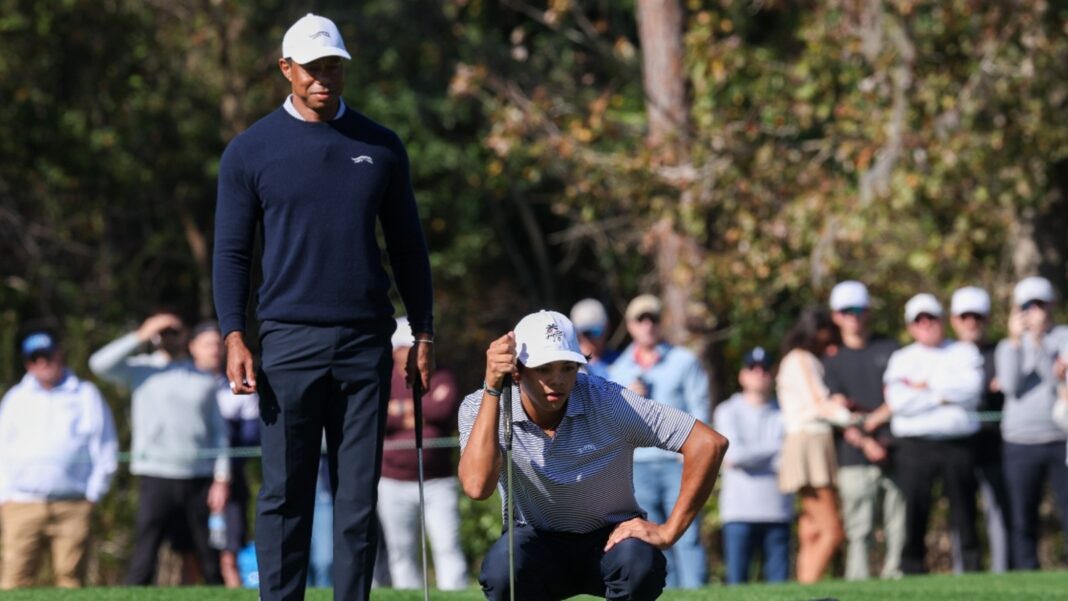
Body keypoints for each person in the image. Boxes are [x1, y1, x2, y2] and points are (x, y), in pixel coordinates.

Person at [212, 13, 435, 601]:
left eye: (333, 67)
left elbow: (409, 248)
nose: (323, 79)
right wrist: (234, 334)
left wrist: (425, 332)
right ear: (286, 69)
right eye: (312, 68)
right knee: (285, 494)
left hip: (366, 344)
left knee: (357, 498)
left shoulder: (380, 146)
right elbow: (233, 253)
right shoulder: (250, 150)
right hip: (287, 342)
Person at [459, 310, 728, 601]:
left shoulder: (608, 401)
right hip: (535, 541)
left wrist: (669, 532)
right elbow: (476, 487)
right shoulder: (482, 406)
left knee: (641, 564)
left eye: (567, 367)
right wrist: (492, 390)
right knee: (502, 569)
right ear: (517, 370)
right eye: (544, 368)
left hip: (610, 539)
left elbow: (708, 443)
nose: (557, 380)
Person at [89, 313, 231, 585]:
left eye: (174, 331)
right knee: (146, 551)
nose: (168, 337)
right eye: (162, 332)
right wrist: (140, 334)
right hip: (155, 475)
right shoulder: (141, 370)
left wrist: (221, 477)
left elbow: (219, 433)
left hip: (198, 477)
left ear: (185, 337)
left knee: (208, 557)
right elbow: (98, 364)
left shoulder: (202, 378)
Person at [0, 331, 118, 589]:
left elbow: (105, 447)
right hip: (20, 504)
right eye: (34, 359)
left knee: (70, 580)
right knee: (13, 580)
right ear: (27, 363)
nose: (42, 364)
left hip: (73, 504)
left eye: (47, 356)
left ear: (59, 356)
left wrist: (94, 494)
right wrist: (4, 495)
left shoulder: (85, 394)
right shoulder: (15, 398)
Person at [606, 294, 710, 588]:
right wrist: (627, 396)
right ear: (630, 325)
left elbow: (699, 406)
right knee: (649, 538)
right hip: (638, 465)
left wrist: (691, 452)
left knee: (687, 535)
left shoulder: (683, 361)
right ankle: (669, 593)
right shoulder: (619, 369)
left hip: (677, 462)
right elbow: (609, 419)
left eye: (653, 318)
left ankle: (695, 593)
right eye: (641, 319)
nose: (648, 324)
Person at [884, 293, 983, 574]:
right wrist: (944, 394)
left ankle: (971, 568)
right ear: (910, 326)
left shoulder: (964, 352)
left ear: (943, 320)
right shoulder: (902, 358)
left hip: (957, 444)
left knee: (965, 510)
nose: (926, 324)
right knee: (915, 510)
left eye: (931, 318)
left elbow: (971, 389)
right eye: (919, 320)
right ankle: (912, 568)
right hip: (915, 446)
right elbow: (899, 402)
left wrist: (925, 388)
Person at [821, 280, 905, 580]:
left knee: (898, 522)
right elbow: (835, 412)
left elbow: (902, 395)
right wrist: (866, 440)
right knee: (859, 527)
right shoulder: (831, 360)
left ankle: (896, 576)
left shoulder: (891, 348)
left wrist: (875, 420)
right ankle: (858, 583)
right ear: (836, 316)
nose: (853, 316)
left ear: (868, 312)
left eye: (858, 309)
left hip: (895, 449)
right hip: (853, 456)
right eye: (846, 311)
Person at [378, 317, 467, 590]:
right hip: (392, 481)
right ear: (394, 351)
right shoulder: (382, 379)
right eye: (406, 347)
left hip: (437, 481)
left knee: (447, 546)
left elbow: (443, 409)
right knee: (401, 552)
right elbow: (379, 417)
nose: (414, 352)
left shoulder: (441, 374)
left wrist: (400, 410)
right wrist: (418, 410)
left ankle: (454, 596)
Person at [995, 276, 1068, 570]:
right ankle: (1026, 572)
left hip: (1060, 439)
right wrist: (1016, 342)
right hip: (1019, 442)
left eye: (1039, 303)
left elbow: (1055, 383)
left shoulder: (1064, 337)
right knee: (1023, 517)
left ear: (1051, 305)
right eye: (1027, 305)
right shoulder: (1007, 345)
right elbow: (1011, 386)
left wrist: (1037, 344)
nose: (1034, 311)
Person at [776, 307, 849, 584]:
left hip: (805, 441)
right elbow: (818, 403)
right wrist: (852, 418)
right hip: (810, 440)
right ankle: (809, 585)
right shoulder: (801, 359)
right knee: (832, 530)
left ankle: (803, 585)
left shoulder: (796, 359)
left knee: (812, 527)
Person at [713, 347, 792, 585]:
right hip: (739, 511)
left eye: (765, 368)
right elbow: (734, 455)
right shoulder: (727, 411)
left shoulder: (786, 411)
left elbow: (789, 457)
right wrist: (776, 447)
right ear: (742, 376)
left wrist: (758, 454)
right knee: (737, 586)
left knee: (779, 590)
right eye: (752, 368)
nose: (759, 373)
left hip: (778, 509)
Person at [949, 286, 1012, 572]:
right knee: (960, 513)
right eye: (965, 317)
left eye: (977, 316)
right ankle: (963, 572)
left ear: (987, 319)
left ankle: (1002, 572)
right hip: (956, 447)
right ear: (954, 320)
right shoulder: (946, 356)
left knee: (998, 512)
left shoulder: (1002, 352)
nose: (971, 322)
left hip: (995, 444)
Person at [208, 321, 262, 588]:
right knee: (194, 553)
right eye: (205, 344)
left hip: (231, 478)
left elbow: (251, 436)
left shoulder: (237, 386)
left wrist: (225, 476)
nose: (212, 351)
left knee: (230, 553)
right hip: (187, 477)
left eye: (215, 344)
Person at [570, 298, 620, 380]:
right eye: (586, 332)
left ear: (607, 328)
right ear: (576, 333)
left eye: (596, 331)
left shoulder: (621, 360)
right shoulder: (569, 366)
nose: (592, 338)